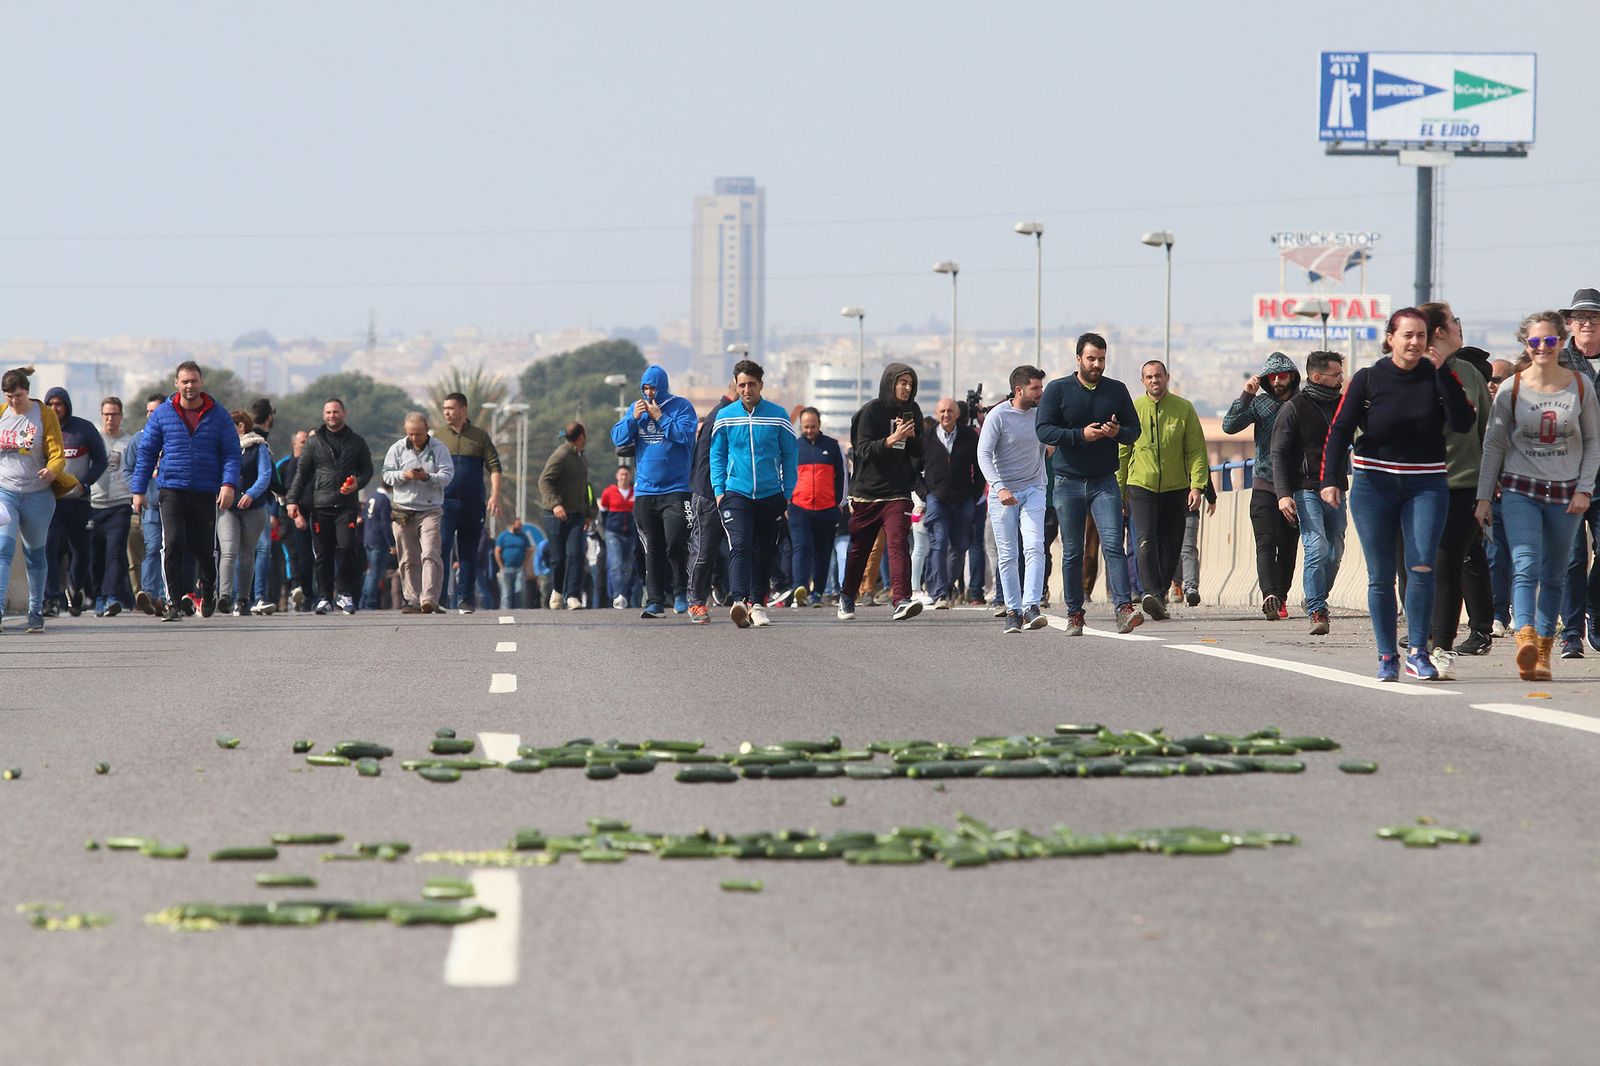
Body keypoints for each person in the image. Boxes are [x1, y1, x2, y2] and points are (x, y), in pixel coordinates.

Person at [1319, 308, 1475, 681]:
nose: (1415, 342)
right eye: (1407, 335)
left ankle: (1419, 652)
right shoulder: (1368, 379)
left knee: (1422, 566)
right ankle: (1387, 654)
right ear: (1390, 338)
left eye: (1421, 336)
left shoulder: (1437, 377)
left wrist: (1444, 375)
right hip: (1375, 485)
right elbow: (1340, 430)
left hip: (1426, 484)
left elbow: (1463, 422)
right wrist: (1330, 479)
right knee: (1380, 575)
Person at [1476, 310, 1600, 682]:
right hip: (1520, 490)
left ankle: (1544, 649)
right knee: (1527, 564)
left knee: (1556, 573)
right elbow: (1493, 444)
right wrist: (1484, 497)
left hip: (1565, 494)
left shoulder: (1580, 386)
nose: (1542, 347)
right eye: (1534, 341)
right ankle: (1525, 635)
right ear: (1525, 345)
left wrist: (1585, 488)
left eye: (1549, 340)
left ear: (1561, 343)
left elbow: (1594, 440)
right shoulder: (1512, 388)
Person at [1035, 333, 1143, 635]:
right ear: (1078, 359)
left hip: (1104, 481)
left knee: (1113, 545)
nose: (1097, 364)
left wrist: (1115, 432)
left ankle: (1123, 608)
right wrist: (1080, 435)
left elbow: (1133, 431)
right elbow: (1043, 430)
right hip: (1068, 482)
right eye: (1091, 358)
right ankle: (1074, 613)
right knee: (1072, 550)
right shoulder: (1058, 390)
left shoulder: (1116, 391)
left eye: (1102, 359)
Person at [129, 361, 241, 622]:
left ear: (201, 383)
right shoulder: (163, 414)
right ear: (176, 384)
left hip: (204, 490)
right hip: (171, 489)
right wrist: (138, 489)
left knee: (204, 549)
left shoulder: (218, 414)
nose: (190, 386)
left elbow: (231, 453)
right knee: (174, 543)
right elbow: (146, 452)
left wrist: (228, 485)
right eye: (185, 381)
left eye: (194, 381)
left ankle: (208, 590)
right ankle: (174, 602)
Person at [1419, 302, 1495, 663]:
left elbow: (1487, 433)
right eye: (1453, 323)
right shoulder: (1399, 373)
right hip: (1412, 486)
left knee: (1449, 562)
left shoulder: (1468, 373)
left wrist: (1488, 486)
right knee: (1415, 565)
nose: (1459, 327)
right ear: (1439, 331)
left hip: (1462, 485)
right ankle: (1423, 634)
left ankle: (1441, 645)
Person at [709, 359, 798, 628]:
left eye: (751, 385)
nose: (746, 390)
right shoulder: (725, 416)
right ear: (736, 387)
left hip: (771, 494)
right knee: (740, 544)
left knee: (763, 550)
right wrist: (719, 490)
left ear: (761, 385)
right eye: (742, 385)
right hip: (736, 493)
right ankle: (739, 601)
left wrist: (787, 494)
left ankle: (757, 604)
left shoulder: (778, 415)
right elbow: (717, 454)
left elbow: (790, 455)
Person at [1116, 360, 1207, 622]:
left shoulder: (1183, 409)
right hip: (1140, 485)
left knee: (1171, 544)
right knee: (1145, 540)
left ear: (1167, 377)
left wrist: (1197, 486)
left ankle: (1161, 592)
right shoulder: (1133, 410)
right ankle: (1151, 594)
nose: (1154, 380)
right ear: (1142, 381)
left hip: (1176, 487)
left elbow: (1196, 451)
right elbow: (1123, 453)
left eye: (1158, 375)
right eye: (1148, 377)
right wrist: (1120, 490)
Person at [840, 362, 925, 622]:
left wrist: (912, 440)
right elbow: (862, 451)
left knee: (899, 542)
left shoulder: (914, 411)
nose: (907, 388)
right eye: (902, 382)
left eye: (910, 383)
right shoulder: (870, 412)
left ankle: (901, 599)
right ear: (890, 383)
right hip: (867, 493)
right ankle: (846, 596)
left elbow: (919, 454)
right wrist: (892, 439)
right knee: (859, 550)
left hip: (897, 492)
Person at [610, 365, 696, 618]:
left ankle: (681, 592)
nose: (649, 393)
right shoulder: (636, 408)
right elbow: (617, 438)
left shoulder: (681, 406)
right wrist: (631, 419)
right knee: (653, 547)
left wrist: (660, 417)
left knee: (676, 541)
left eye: (653, 388)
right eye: (645, 388)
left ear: (662, 386)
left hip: (676, 489)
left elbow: (686, 437)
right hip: (646, 490)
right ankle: (655, 599)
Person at [1271, 351, 1347, 636]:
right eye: (1336, 374)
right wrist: (1283, 494)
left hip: (1336, 488)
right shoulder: (1294, 408)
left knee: (1335, 551)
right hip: (1305, 489)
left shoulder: (1344, 405)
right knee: (1316, 547)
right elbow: (1278, 452)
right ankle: (1318, 609)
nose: (1341, 379)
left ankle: (1314, 595)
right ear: (1317, 377)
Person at [1224, 351, 1301, 619]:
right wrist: (1246, 395)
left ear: (1292, 376)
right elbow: (1229, 426)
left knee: (1289, 547)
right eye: (1272, 376)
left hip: (1295, 488)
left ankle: (1281, 596)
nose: (1278, 381)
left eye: (1282, 375)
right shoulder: (1261, 404)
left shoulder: (1303, 403)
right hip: (1264, 485)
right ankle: (1269, 594)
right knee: (1266, 542)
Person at [0, 368, 75, 632]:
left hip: (37, 493)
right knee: (3, 550)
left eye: (18, 395)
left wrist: (52, 470)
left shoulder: (44, 415)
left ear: (27, 392)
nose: (13, 401)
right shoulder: (2, 415)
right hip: (5, 491)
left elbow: (58, 453)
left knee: (34, 554)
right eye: (8, 396)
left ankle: (35, 611)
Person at [286, 398, 374, 615]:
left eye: (335, 412)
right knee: (323, 554)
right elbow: (302, 473)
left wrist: (357, 483)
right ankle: (324, 597)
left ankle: (344, 594)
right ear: (323, 415)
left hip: (346, 506)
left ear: (344, 413)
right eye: (328, 412)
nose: (331, 416)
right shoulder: (314, 443)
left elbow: (368, 470)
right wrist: (292, 501)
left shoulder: (357, 442)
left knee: (346, 547)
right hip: (321, 505)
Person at [978, 366, 1049, 634]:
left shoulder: (1041, 415)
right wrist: (999, 487)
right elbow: (983, 454)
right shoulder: (998, 416)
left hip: (1033, 488)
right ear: (1019, 390)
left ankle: (1031, 606)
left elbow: (1043, 446)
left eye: (1041, 388)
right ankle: (1013, 610)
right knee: (1008, 554)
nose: (1040, 393)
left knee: (1034, 546)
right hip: (1003, 494)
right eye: (1035, 388)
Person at [1556, 289, 1600, 658]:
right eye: (1580, 317)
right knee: (1570, 557)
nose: (1587, 323)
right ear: (1570, 323)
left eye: (1595, 318)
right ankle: (1570, 631)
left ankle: (1594, 613)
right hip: (1566, 474)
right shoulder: (1555, 361)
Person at [40, 387, 106, 617]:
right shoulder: (42, 430)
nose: (55, 408)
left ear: (67, 405)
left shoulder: (83, 429)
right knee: (49, 547)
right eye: (50, 404)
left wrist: (85, 484)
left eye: (59, 404)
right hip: (51, 501)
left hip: (79, 501)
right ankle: (50, 599)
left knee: (82, 551)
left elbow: (101, 461)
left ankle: (75, 588)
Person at [437, 392, 504, 614]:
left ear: (463, 410)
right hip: (445, 503)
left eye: (451, 408)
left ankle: (465, 599)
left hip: (473, 504)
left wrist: (495, 495)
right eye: (444, 408)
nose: (446, 412)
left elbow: (494, 466)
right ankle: (439, 597)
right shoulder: (437, 438)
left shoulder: (479, 437)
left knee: (468, 552)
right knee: (443, 548)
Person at [383, 411, 455, 613]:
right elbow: (387, 475)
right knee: (407, 557)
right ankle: (412, 599)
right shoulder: (396, 449)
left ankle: (429, 598)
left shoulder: (439, 449)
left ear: (427, 431)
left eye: (419, 434)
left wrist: (427, 477)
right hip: (403, 510)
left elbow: (447, 475)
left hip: (430, 509)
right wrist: (403, 475)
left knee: (431, 552)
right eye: (411, 434)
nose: (415, 439)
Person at [921, 396, 982, 611]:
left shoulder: (968, 436)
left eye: (950, 411)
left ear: (957, 414)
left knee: (960, 546)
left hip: (964, 498)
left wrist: (974, 495)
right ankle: (939, 593)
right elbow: (914, 468)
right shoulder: (926, 437)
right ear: (937, 415)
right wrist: (924, 492)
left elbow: (980, 466)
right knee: (938, 543)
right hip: (936, 498)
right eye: (942, 412)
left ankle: (946, 586)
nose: (946, 415)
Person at [216, 409, 273, 617]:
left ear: (241, 426)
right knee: (228, 550)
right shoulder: (220, 448)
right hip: (227, 508)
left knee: (247, 554)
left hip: (253, 508)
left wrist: (251, 494)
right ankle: (224, 596)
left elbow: (265, 474)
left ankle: (243, 598)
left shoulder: (258, 447)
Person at [787, 406, 846, 606]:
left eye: (813, 426)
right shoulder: (793, 447)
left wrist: (839, 504)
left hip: (826, 508)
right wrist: (786, 502)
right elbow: (783, 476)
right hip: (799, 507)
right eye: (806, 426)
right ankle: (799, 588)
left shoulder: (833, 446)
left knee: (823, 551)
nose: (809, 430)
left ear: (819, 425)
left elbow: (843, 477)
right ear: (800, 426)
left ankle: (818, 593)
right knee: (801, 548)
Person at [539, 422, 593, 611]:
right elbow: (544, 481)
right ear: (581, 437)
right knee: (558, 558)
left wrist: (589, 512)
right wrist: (555, 504)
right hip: (555, 516)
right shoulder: (561, 455)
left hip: (576, 516)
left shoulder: (580, 457)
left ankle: (573, 596)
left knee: (576, 554)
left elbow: (585, 488)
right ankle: (557, 592)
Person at [90, 396, 135, 617]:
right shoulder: (94, 439)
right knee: (96, 554)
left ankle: (112, 597)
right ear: (102, 415)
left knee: (115, 552)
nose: (110, 418)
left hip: (120, 504)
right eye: (107, 414)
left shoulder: (129, 442)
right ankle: (98, 596)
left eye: (114, 414)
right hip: (94, 505)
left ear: (121, 415)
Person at [1484, 358, 1517, 637]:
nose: (1492, 384)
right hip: (1491, 495)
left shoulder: (1523, 409)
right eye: (1490, 379)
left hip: (1521, 492)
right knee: (1495, 556)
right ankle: (1497, 614)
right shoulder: (1479, 410)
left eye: (1498, 379)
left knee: (1524, 555)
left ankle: (1522, 612)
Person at [131, 393, 168, 615]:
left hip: (174, 504)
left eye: (154, 411)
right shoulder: (139, 440)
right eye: (148, 411)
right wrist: (138, 491)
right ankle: (149, 594)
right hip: (150, 506)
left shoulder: (175, 437)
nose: (149, 416)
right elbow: (130, 470)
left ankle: (167, 595)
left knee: (171, 549)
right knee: (152, 548)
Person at [599, 466, 641, 609]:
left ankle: (626, 594)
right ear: (617, 476)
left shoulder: (635, 492)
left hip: (630, 533)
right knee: (615, 564)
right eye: (621, 474)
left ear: (630, 477)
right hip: (613, 533)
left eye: (626, 475)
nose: (624, 477)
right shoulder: (609, 492)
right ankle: (618, 595)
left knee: (628, 566)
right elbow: (603, 512)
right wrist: (607, 529)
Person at [360, 484, 394, 610]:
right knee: (376, 573)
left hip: (368, 537)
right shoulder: (384, 500)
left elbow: (364, 516)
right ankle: (371, 601)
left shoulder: (371, 497)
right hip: (379, 539)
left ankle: (363, 600)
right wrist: (391, 543)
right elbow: (385, 523)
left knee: (370, 572)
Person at [495, 516, 536, 610]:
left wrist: (524, 564)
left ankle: (519, 610)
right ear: (512, 525)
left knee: (520, 590)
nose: (520, 527)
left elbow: (529, 550)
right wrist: (501, 566)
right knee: (506, 592)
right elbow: (497, 551)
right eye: (518, 525)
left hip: (519, 569)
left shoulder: (523, 536)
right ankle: (505, 610)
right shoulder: (503, 536)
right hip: (506, 568)